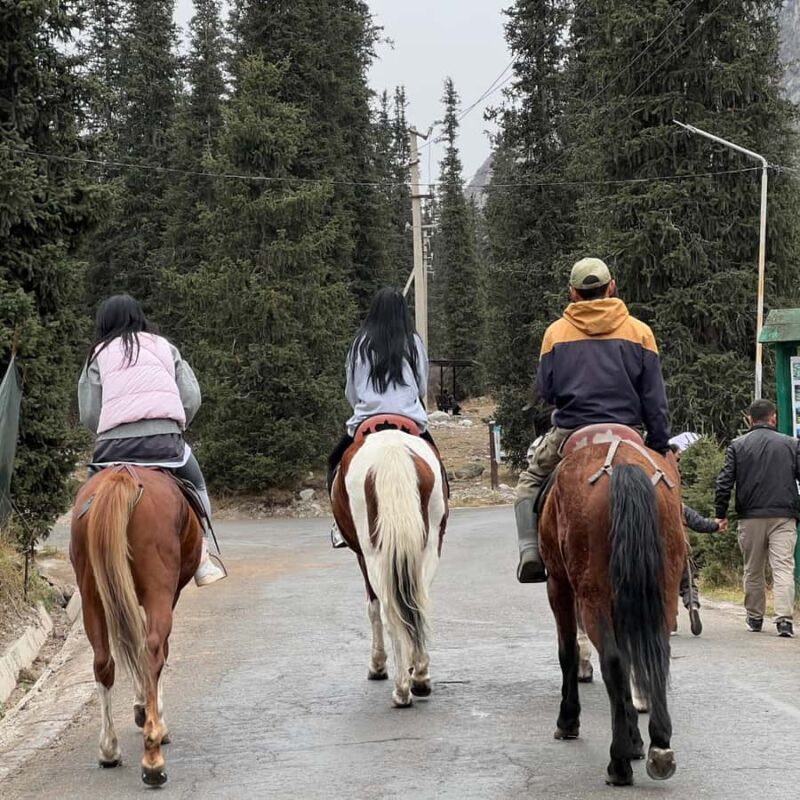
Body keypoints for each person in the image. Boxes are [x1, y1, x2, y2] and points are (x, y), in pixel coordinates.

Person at [515, 257, 671, 583]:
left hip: (573, 431)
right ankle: (676, 554)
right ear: (611, 287)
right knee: (668, 484)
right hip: (628, 432)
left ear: (573, 293)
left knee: (529, 483)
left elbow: (546, 390)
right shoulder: (640, 332)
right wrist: (657, 443)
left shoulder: (555, 334)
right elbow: (655, 400)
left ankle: (530, 552)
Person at [78, 294, 225, 586]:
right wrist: (174, 422)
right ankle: (202, 559)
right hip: (165, 444)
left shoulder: (98, 354)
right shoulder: (164, 346)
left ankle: (82, 560)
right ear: (139, 316)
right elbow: (192, 397)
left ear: (104, 323)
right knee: (197, 486)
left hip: (113, 448)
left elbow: (89, 412)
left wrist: (108, 429)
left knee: (85, 499)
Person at [327, 288, 435, 547]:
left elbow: (351, 391)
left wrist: (365, 404)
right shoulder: (413, 342)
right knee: (435, 464)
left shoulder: (359, 344)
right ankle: (438, 513)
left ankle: (339, 525)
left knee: (334, 464)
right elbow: (421, 387)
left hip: (368, 422)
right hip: (408, 421)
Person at [715, 398, 800, 638]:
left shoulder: (737, 445)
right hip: (784, 515)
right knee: (783, 567)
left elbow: (724, 483)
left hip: (750, 516)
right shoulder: (791, 444)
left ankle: (755, 617)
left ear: (749, 420)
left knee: (753, 568)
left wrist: (720, 515)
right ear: (774, 417)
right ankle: (784, 621)